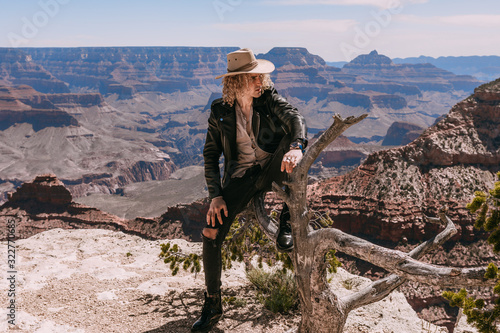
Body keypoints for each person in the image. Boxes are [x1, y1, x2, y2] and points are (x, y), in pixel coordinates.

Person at [191, 48, 307, 332]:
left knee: (289, 149)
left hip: (273, 167)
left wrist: (297, 146)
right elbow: (210, 155)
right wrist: (215, 195)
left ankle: (287, 219)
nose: (261, 83)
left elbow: (294, 118)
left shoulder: (269, 100)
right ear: (236, 82)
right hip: (242, 177)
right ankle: (212, 303)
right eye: (254, 78)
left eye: (262, 77)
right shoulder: (220, 112)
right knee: (210, 232)